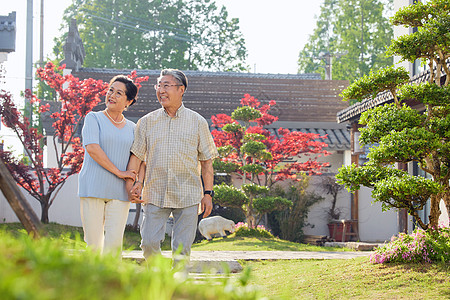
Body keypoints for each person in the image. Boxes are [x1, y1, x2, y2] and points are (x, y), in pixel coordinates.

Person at [126, 69, 218, 260]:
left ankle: (178, 284)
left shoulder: (198, 122)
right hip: (155, 192)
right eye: (158, 85)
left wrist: (208, 194)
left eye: (166, 85)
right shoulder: (146, 122)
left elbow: (206, 161)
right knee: (149, 242)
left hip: (188, 193)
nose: (161, 90)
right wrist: (134, 183)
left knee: (182, 250)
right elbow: (138, 157)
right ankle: (158, 279)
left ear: (181, 89)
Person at [78, 75, 143, 255]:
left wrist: (136, 183)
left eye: (119, 93)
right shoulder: (93, 118)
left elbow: (138, 158)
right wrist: (119, 172)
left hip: (120, 193)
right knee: (93, 244)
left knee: (114, 245)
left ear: (128, 101)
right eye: (110, 91)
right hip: (92, 188)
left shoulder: (133, 128)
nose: (112, 96)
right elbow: (92, 148)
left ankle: (112, 282)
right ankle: (92, 281)